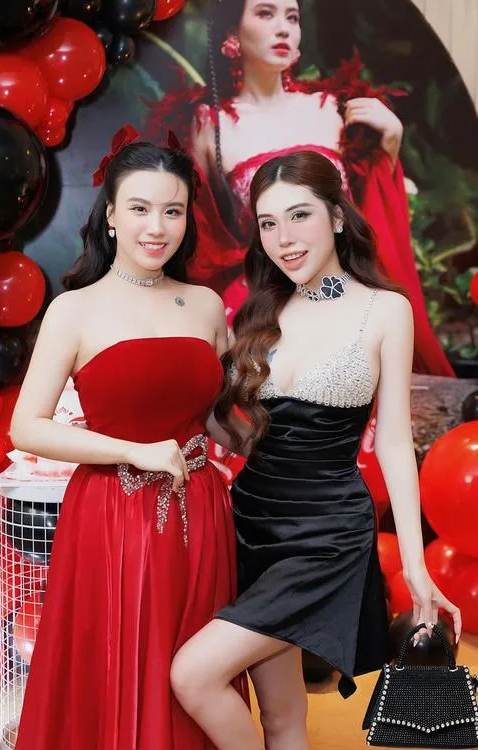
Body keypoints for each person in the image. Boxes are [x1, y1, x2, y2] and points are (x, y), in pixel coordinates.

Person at [167, 151, 462, 750]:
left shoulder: (385, 309)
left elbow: (396, 444)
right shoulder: (260, 309)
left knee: (192, 675)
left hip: (326, 534)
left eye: (299, 215)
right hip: (249, 524)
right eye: (268, 223)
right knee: (282, 716)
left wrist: (415, 566)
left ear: (337, 216)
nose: (283, 238)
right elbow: (239, 433)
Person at [11, 130, 247, 750]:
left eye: (173, 210)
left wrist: (280, 429)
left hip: (201, 510)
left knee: (194, 669)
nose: (157, 227)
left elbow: (214, 418)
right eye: (140, 208)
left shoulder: (205, 305)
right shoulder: (74, 310)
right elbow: (27, 426)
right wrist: (132, 451)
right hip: (113, 514)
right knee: (120, 662)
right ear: (111, 214)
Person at [145, 0, 453, 376]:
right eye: (265, 13)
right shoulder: (209, 125)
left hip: (343, 290)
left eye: (292, 17)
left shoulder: (330, 109)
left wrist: (390, 143)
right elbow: (202, 234)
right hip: (262, 298)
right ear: (232, 35)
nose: (283, 28)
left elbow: (366, 215)